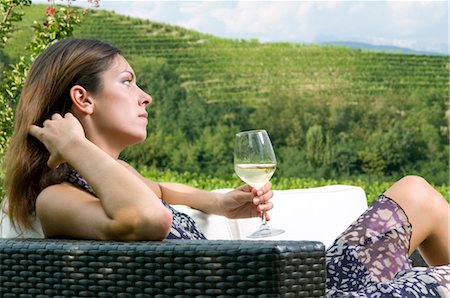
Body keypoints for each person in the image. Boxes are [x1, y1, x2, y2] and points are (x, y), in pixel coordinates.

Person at [2, 38, 449, 296]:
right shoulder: (57, 198)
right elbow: (149, 217)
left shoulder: (122, 183)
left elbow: (159, 190)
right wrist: (75, 146)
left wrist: (219, 202)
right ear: (83, 99)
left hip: (302, 286)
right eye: (128, 81)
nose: (146, 96)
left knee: (416, 191)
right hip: (291, 295)